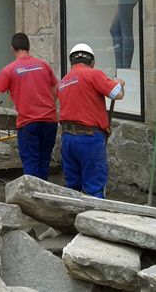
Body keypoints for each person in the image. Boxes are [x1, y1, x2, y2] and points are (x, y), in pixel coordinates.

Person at [0, 33, 59, 180]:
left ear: (12, 48)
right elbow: (55, 88)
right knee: (43, 162)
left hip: (29, 124)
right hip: (50, 122)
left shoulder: (10, 69)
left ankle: (33, 197)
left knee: (31, 166)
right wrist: (48, 104)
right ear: (29, 47)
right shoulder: (44, 65)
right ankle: (43, 193)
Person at [57, 43, 125, 198]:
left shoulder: (64, 81)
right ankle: (93, 217)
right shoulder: (93, 74)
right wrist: (120, 83)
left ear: (71, 63)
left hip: (68, 138)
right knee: (94, 185)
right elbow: (117, 95)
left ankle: (72, 218)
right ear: (92, 62)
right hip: (89, 139)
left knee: (73, 186)